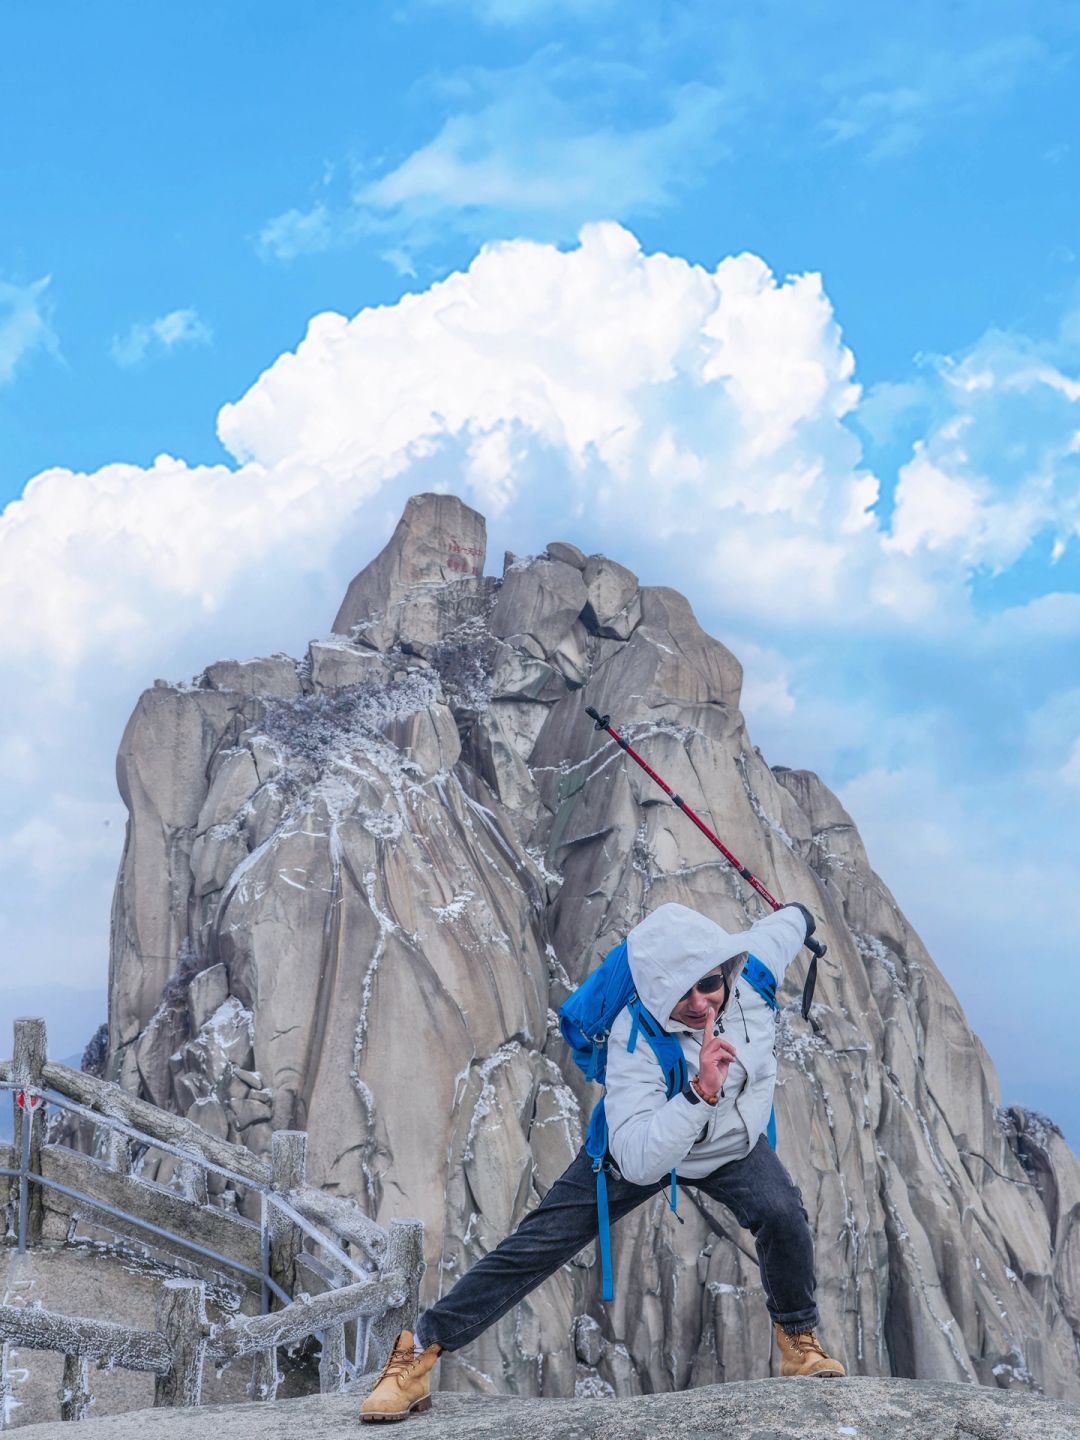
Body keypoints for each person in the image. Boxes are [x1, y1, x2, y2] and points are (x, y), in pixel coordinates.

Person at [361, 901, 845, 1422]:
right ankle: (417, 1353)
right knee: (537, 1244)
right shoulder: (634, 1037)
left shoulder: (753, 977)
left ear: (727, 969)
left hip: (730, 1144)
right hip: (642, 1144)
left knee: (783, 1212)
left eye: (709, 984)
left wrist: (800, 914)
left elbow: (783, 928)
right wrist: (701, 1092)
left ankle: (799, 1345)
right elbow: (639, 1161)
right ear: (659, 990)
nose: (701, 1002)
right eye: (683, 992)